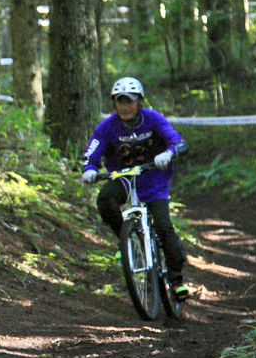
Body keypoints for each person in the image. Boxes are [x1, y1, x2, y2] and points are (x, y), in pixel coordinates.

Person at [80, 77, 191, 302]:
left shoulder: (154, 119)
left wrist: (169, 153)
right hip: (124, 179)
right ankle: (127, 239)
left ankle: (176, 280)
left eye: (130, 101)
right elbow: (91, 154)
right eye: (120, 101)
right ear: (114, 103)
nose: (125, 106)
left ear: (140, 101)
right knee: (105, 199)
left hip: (154, 182)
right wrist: (90, 169)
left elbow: (178, 142)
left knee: (164, 227)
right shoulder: (106, 127)